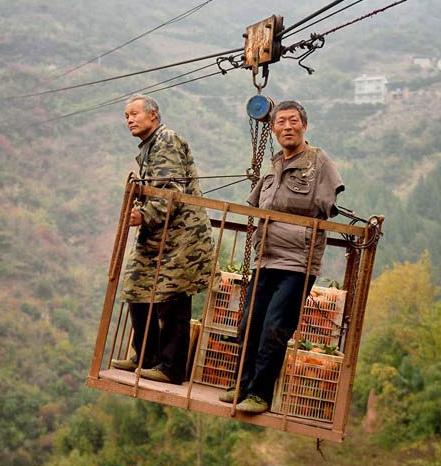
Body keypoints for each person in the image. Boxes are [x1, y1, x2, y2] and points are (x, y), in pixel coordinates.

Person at [222, 100, 344, 413]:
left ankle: (260, 395)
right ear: (274, 129)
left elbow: (328, 205)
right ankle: (242, 385)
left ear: (304, 125)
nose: (287, 127)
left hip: (297, 263)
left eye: (293, 121)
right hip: (266, 257)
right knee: (250, 322)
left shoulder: (319, 162)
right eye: (280, 122)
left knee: (275, 326)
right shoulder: (274, 165)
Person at [110, 94, 214, 384]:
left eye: (134, 114)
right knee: (136, 284)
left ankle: (172, 367)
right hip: (160, 234)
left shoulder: (166, 140)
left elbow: (170, 191)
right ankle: (147, 355)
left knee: (172, 295)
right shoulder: (151, 146)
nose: (129, 119)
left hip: (182, 235)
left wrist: (144, 215)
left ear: (153, 115)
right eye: (126, 115)